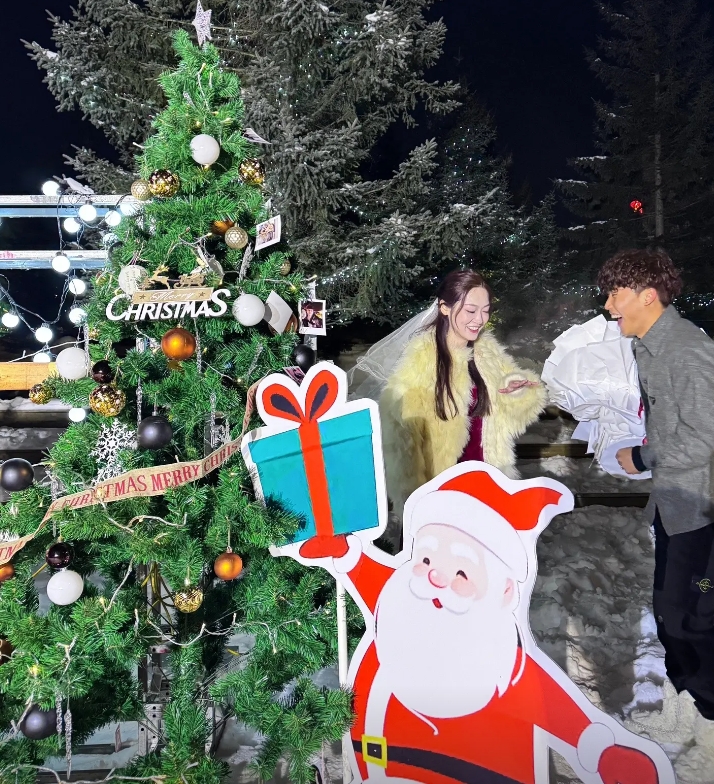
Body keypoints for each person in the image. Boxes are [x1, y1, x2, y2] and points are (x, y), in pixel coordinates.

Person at [286, 464, 671, 784]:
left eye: (461, 572)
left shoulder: (502, 668)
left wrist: (600, 751)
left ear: (503, 591)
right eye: (425, 560)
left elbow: (551, 705)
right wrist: (344, 552)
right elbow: (371, 578)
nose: (434, 578)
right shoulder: (402, 605)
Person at [599, 247, 714, 721]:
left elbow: (706, 437)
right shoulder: (646, 347)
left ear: (647, 296)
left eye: (615, 294)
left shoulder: (686, 351)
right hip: (674, 504)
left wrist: (643, 456)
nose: (609, 306)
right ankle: (694, 693)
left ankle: (707, 703)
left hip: (701, 510)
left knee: (693, 615)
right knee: (673, 608)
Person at [374, 269, 546, 522]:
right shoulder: (421, 362)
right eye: (471, 310)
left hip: (488, 485)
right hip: (441, 496)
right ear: (444, 308)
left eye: (486, 310)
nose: (480, 319)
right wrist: (414, 503)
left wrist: (517, 391)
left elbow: (514, 412)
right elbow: (401, 443)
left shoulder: (487, 352)